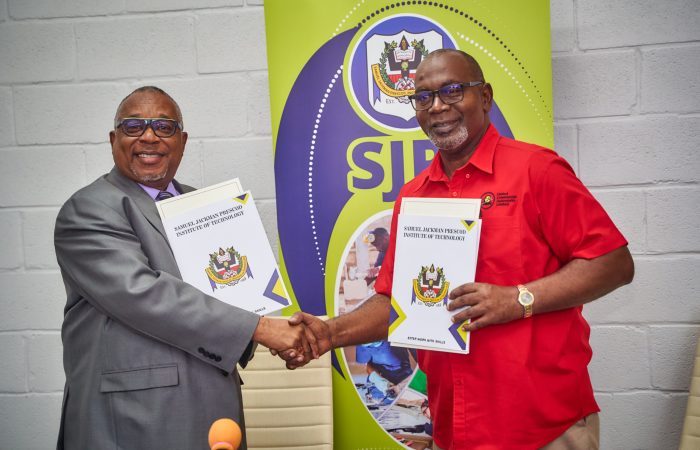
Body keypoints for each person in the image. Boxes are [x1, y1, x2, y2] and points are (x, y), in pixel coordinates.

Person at [280, 49, 634, 449]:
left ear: (484, 97)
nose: (437, 107)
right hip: (456, 427)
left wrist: (518, 300)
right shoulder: (414, 196)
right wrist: (330, 332)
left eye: (452, 91)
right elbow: (397, 301)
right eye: (423, 97)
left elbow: (614, 262)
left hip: (544, 427)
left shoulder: (537, 171)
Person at [54, 86, 310, 450]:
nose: (148, 136)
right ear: (113, 139)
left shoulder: (204, 206)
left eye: (163, 126)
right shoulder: (88, 210)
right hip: (135, 420)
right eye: (133, 126)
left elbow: (232, 293)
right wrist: (262, 329)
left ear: (182, 140)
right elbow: (144, 294)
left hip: (214, 415)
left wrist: (270, 333)